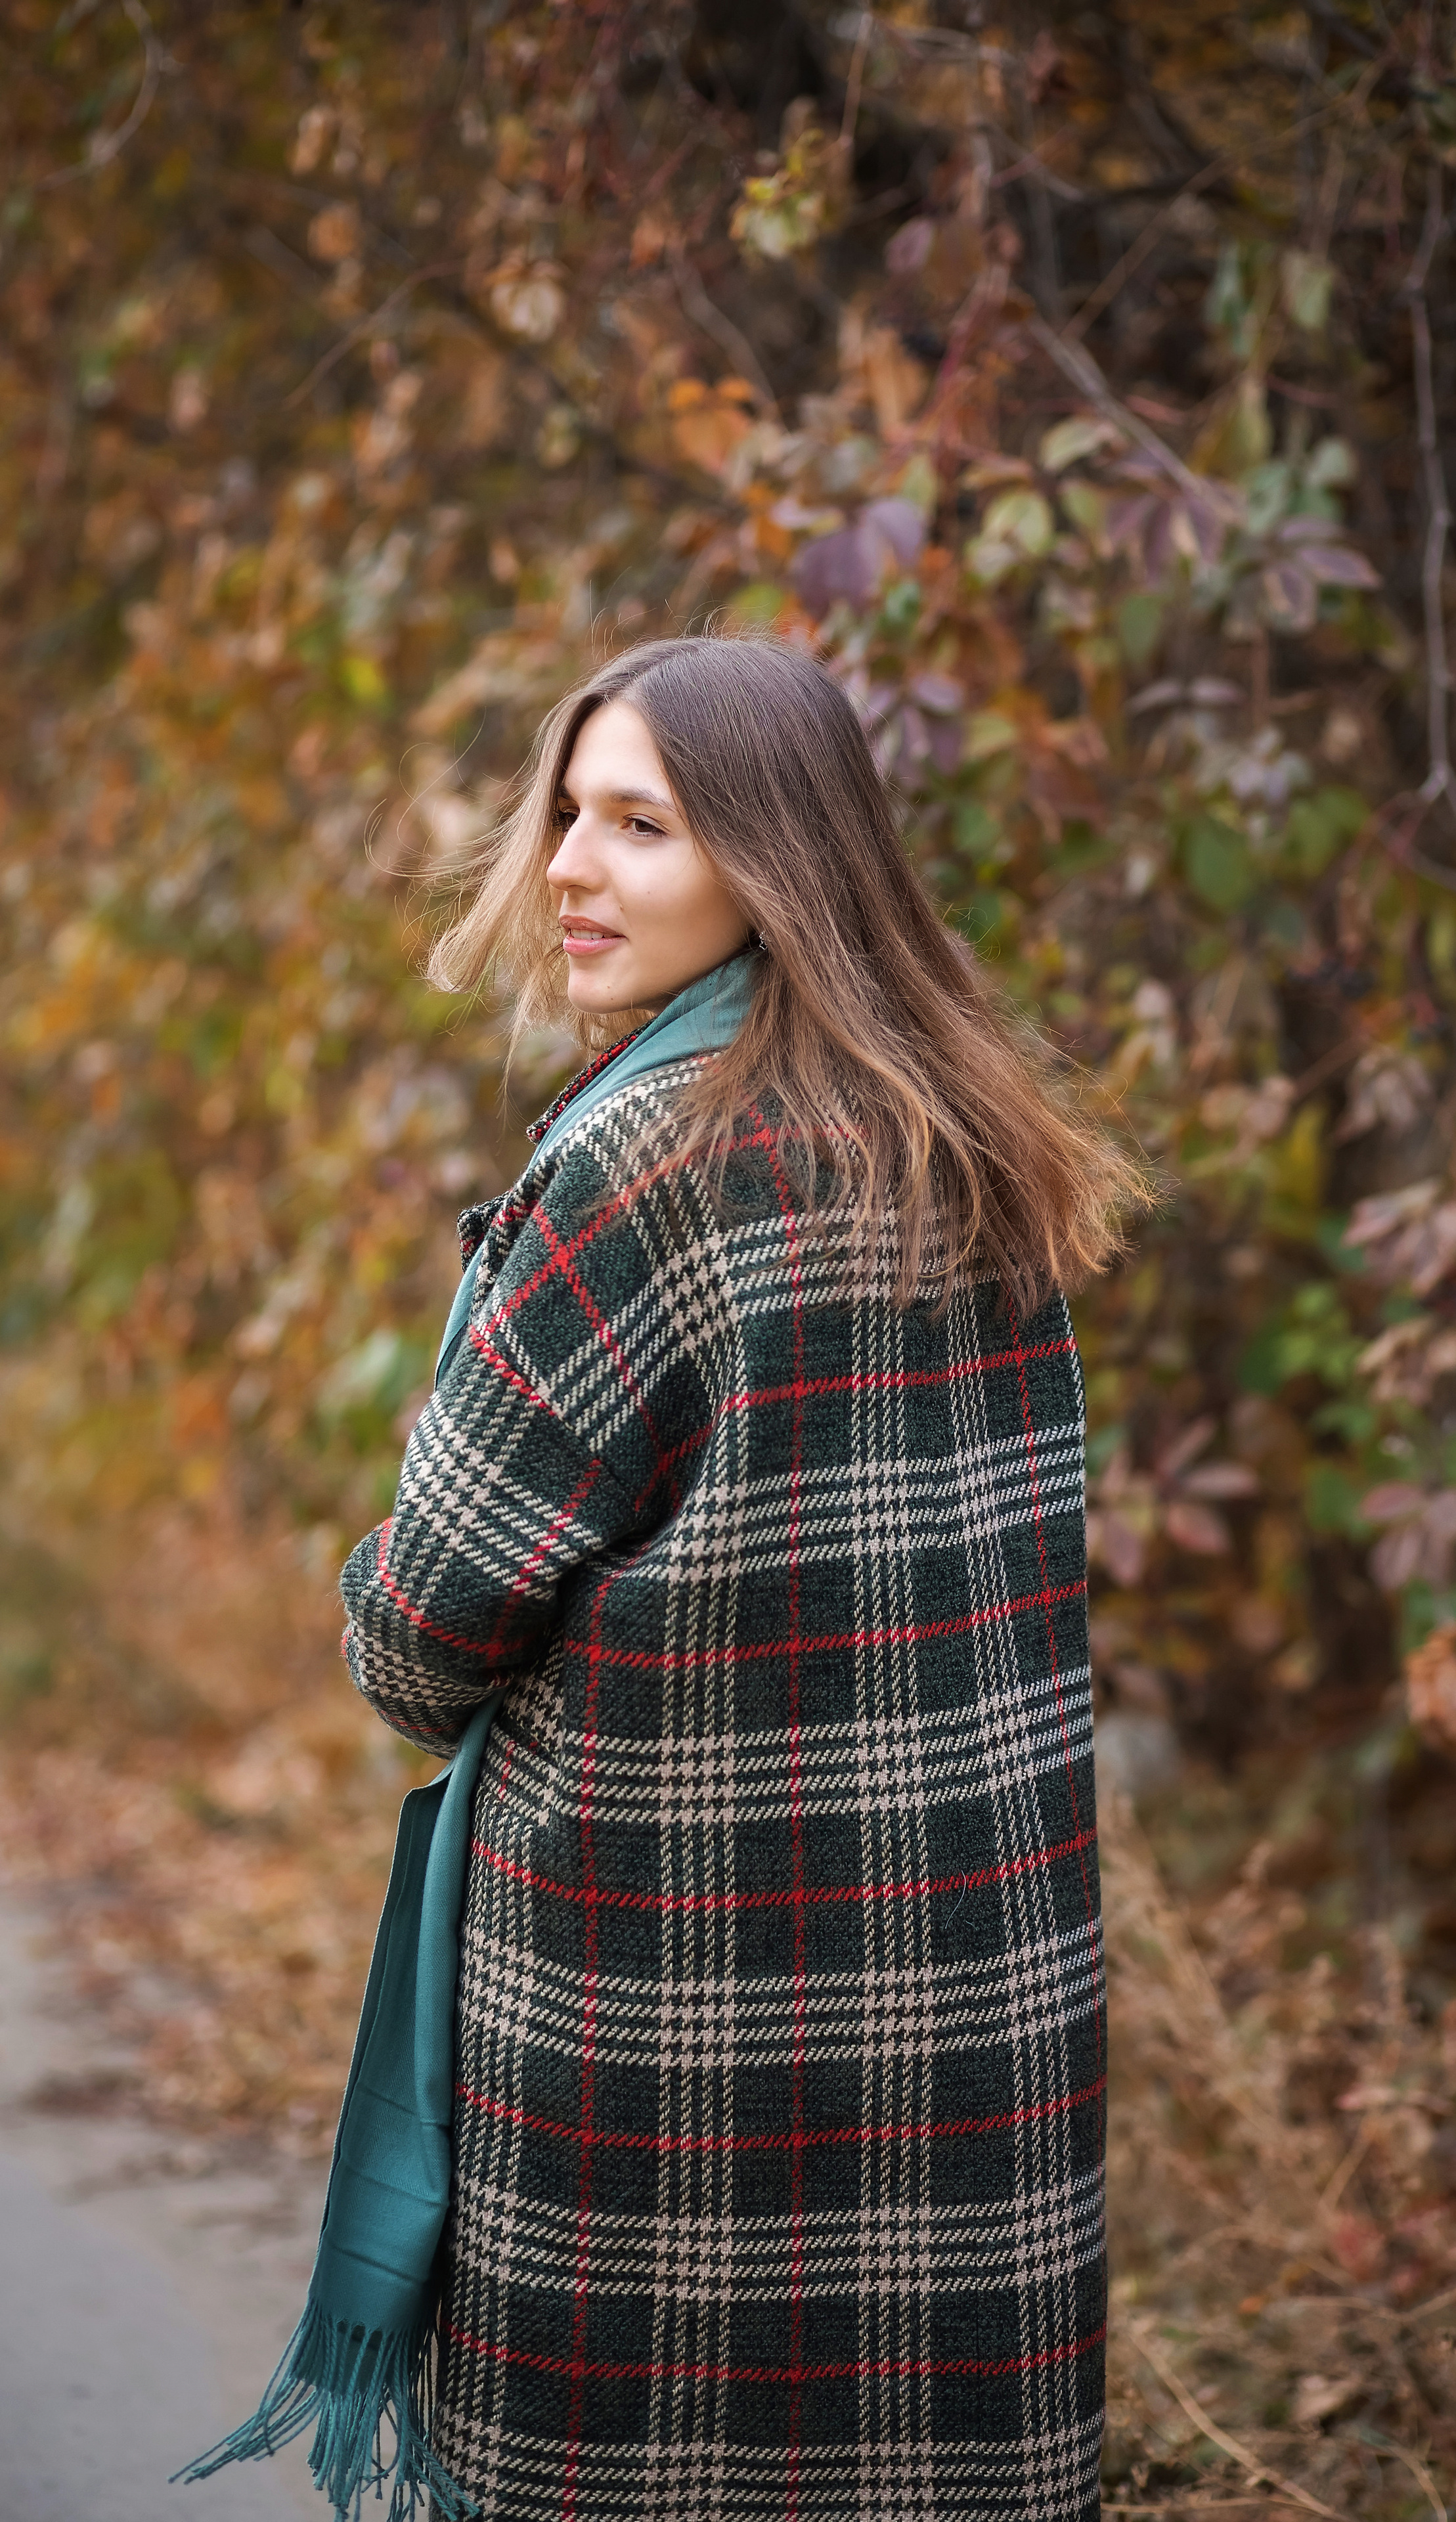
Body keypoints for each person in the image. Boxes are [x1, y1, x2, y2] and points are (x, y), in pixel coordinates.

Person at [342, 632, 1139, 2520]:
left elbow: (426, 1624)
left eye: (641, 823)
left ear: (775, 858)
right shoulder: (971, 1138)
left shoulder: (634, 1162)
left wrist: (373, 1585)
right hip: (965, 1987)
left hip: (670, 1998)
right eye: (567, 811)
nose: (567, 864)